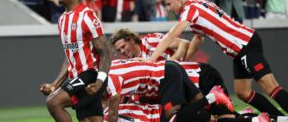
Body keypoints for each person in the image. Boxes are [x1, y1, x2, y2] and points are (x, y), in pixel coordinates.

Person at [144, 0, 288, 116]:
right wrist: (180, 65)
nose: (169, 8)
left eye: (169, 4)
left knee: (269, 86)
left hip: (244, 43)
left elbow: (171, 35)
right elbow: (197, 39)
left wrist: (151, 59)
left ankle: (280, 116)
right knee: (242, 92)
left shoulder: (190, 9)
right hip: (238, 50)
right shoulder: (199, 3)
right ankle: (279, 118)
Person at [39, 0, 111, 122]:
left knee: (53, 102)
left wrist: (99, 82)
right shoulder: (62, 20)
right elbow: (70, 56)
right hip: (76, 77)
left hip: (90, 76)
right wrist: (54, 84)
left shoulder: (87, 16)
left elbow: (105, 53)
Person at [104, 61, 273, 122]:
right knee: (208, 117)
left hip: (167, 79)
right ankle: (248, 117)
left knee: (175, 116)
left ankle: (213, 96)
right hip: (170, 72)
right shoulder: (116, 73)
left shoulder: (112, 97)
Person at [109, 28, 194, 61]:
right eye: (119, 50)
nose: (122, 51)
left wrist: (173, 60)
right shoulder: (133, 62)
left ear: (131, 40)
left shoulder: (151, 40)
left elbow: (184, 43)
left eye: (123, 46)